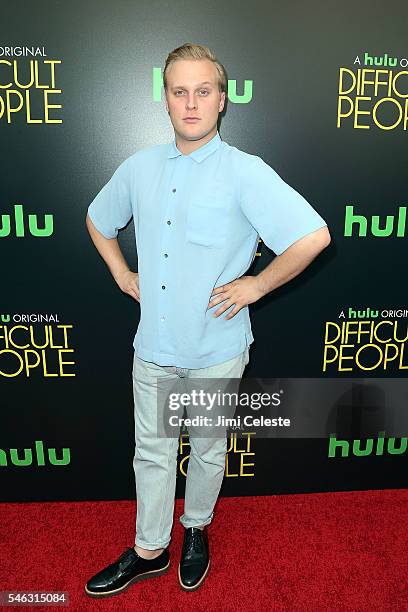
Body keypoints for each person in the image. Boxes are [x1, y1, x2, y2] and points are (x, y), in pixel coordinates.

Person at [84, 42, 331, 597]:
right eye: (179, 92)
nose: (190, 103)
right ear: (165, 99)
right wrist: (124, 275)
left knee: (210, 446)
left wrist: (257, 285)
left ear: (222, 100)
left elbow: (313, 235)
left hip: (217, 348)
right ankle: (150, 549)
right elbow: (99, 221)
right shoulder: (137, 168)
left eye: (203, 91)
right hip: (153, 347)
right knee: (151, 450)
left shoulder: (246, 173)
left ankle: (195, 529)